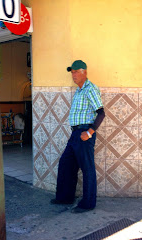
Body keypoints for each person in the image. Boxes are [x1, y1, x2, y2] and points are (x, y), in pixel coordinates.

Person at [50, 60, 105, 213]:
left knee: (87, 168)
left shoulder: (90, 89)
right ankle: (65, 197)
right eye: (72, 72)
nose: (73, 75)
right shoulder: (79, 90)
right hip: (75, 134)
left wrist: (89, 132)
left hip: (84, 134)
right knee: (66, 164)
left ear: (84, 72)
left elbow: (101, 113)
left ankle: (88, 203)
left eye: (76, 72)